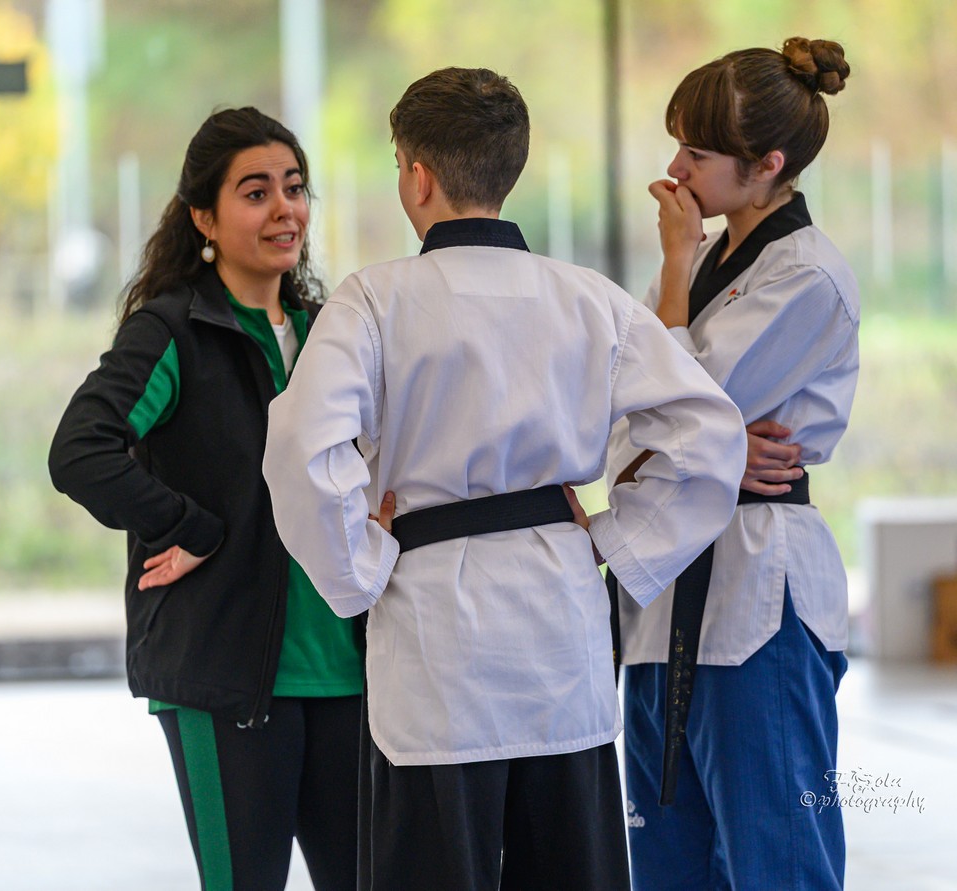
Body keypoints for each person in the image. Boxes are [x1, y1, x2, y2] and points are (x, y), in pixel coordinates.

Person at [262, 67, 748, 890]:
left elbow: (303, 451)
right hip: (560, 622)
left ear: (417, 177)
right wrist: (614, 540)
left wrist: (359, 563)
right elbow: (708, 436)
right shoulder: (588, 298)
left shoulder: (373, 301)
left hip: (433, 637)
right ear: (509, 169)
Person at [48, 107, 363, 891]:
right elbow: (82, 449)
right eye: (255, 193)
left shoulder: (331, 335)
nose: (284, 208)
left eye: (294, 187)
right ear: (204, 218)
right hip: (227, 676)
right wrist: (189, 525)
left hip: (348, 676)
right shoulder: (173, 332)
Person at [607, 38, 859, 890]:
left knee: (777, 862)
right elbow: (624, 428)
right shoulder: (697, 269)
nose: (675, 170)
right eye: (677, 144)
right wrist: (703, 439)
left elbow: (672, 412)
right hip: (663, 591)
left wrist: (691, 437)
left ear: (768, 166)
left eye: (698, 153)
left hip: (759, 604)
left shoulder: (808, 275)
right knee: (667, 867)